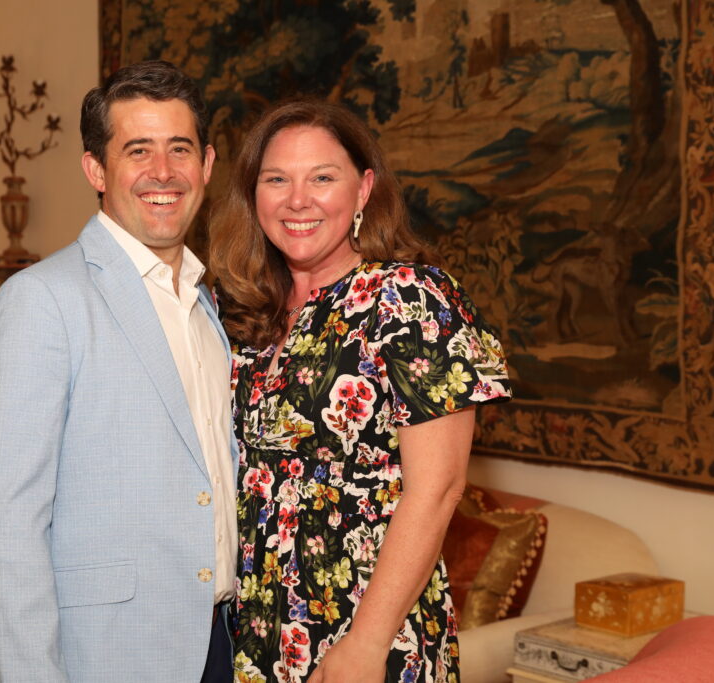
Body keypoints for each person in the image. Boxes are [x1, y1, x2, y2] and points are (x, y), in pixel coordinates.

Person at [209, 99, 512, 683]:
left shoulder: (408, 298)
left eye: (323, 177)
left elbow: (440, 488)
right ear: (253, 195)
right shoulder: (240, 312)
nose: (299, 200)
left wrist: (366, 643)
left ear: (364, 188)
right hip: (256, 632)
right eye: (277, 179)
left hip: (369, 632)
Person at [0, 60, 237, 682]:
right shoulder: (42, 300)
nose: (163, 172)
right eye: (137, 150)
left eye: (180, 149)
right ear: (96, 169)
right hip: (109, 656)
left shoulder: (207, 304)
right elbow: (7, 526)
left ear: (208, 165)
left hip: (218, 646)